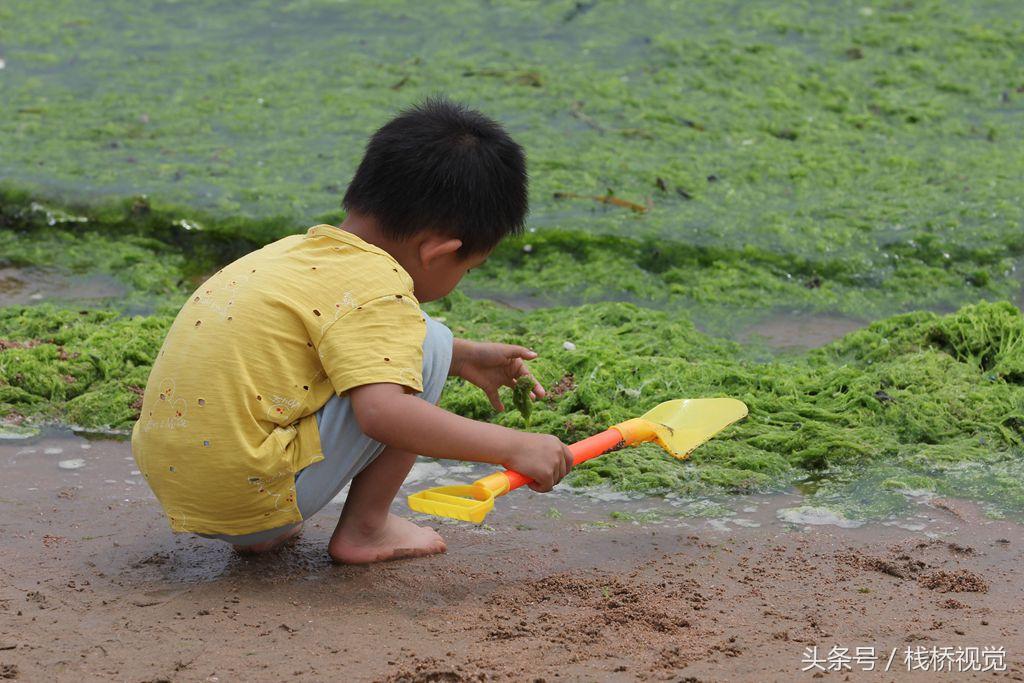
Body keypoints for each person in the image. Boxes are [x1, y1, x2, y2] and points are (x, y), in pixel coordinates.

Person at [130, 98, 574, 563]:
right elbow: (383, 414)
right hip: (246, 495)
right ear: (439, 251)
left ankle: (259, 531)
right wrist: (514, 446)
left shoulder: (290, 254)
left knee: (427, 346)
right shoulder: (380, 290)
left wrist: (463, 358)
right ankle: (367, 529)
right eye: (470, 268)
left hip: (179, 484)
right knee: (428, 341)